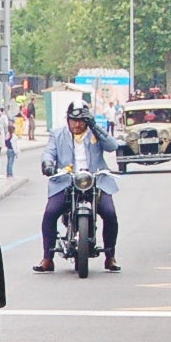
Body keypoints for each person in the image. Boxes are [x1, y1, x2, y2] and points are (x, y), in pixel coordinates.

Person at [35, 101, 122, 273]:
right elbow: (49, 152)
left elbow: (113, 146)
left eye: (82, 120)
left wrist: (95, 126)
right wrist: (47, 164)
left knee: (110, 214)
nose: (77, 124)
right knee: (50, 213)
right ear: (67, 120)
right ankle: (47, 258)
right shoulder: (57, 134)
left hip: (95, 180)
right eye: (73, 120)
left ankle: (110, 256)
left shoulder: (94, 133)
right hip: (67, 181)